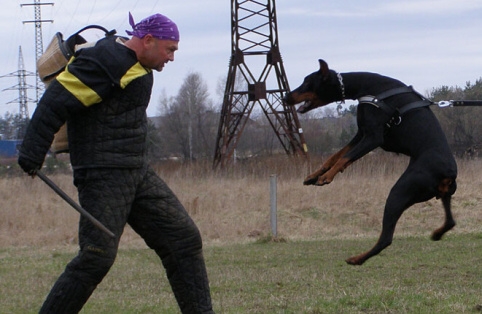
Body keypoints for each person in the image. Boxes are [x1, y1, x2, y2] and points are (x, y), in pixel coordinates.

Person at [18, 12, 214, 314]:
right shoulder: (105, 59)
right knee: (96, 257)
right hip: (103, 175)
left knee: (183, 241)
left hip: (136, 172)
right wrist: (32, 151)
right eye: (169, 49)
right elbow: (56, 100)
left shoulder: (137, 64)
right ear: (147, 40)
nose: (172, 57)